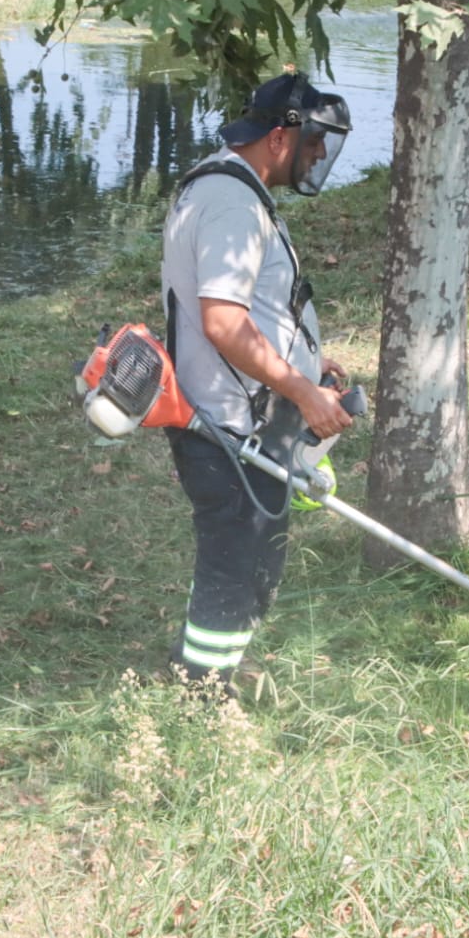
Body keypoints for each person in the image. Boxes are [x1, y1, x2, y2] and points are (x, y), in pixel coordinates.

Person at [160, 70, 354, 696]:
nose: (318, 155)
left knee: (252, 559)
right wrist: (303, 391)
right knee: (234, 566)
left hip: (245, 419)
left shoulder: (231, 188)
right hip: (226, 428)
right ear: (279, 137)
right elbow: (222, 322)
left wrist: (307, 361)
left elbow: (249, 307)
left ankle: (207, 669)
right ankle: (202, 698)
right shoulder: (232, 204)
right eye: (313, 141)